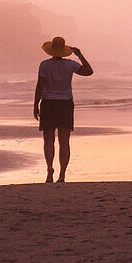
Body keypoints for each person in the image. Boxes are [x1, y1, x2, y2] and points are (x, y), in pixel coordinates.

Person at [33, 36, 93, 183]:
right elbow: (89, 71)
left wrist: (36, 104)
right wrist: (80, 55)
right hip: (65, 103)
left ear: (51, 50)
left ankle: (49, 169)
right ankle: (62, 174)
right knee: (64, 141)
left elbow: (40, 85)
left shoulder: (44, 65)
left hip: (48, 103)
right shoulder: (70, 65)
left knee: (48, 141)